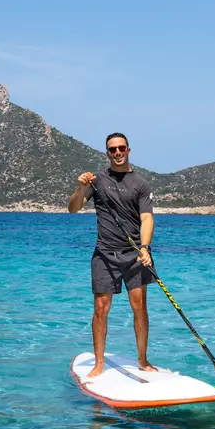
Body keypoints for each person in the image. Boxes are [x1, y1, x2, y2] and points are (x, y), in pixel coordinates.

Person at [67, 132, 157, 379]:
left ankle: (143, 360)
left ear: (129, 150)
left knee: (139, 307)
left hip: (135, 254)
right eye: (112, 149)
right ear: (107, 153)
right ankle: (98, 363)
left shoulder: (140, 184)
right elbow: (73, 209)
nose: (117, 153)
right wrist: (81, 187)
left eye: (121, 148)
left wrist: (146, 248)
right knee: (100, 308)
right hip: (104, 254)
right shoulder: (96, 181)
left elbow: (147, 218)